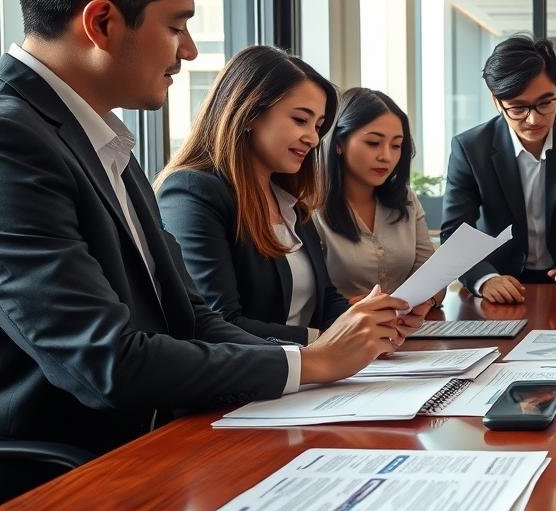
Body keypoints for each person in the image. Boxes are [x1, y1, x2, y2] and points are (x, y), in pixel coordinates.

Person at [0, 0, 405, 467]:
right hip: (72, 475)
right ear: (102, 23)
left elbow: (192, 317)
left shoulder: (102, 137)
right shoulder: (7, 141)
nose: (187, 51)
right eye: (176, 26)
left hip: (168, 443)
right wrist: (311, 362)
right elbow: (107, 361)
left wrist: (325, 357)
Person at [157, 46, 428, 345]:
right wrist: (328, 341)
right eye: (301, 120)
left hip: (310, 377)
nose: (313, 138)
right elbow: (218, 323)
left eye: (318, 126)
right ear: (249, 113)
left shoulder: (288, 200)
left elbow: (326, 301)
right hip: (255, 382)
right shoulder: (192, 192)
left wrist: (381, 320)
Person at [439, 35, 556, 304]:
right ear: (497, 102)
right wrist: (483, 279)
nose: (534, 119)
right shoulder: (471, 147)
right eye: (518, 107)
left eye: (545, 103)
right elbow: (456, 231)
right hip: (500, 281)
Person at [315, 87, 439, 306]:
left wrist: (426, 301)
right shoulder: (310, 206)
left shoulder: (405, 198)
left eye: (396, 145)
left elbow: (431, 276)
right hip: (339, 331)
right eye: (373, 143)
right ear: (338, 143)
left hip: (405, 329)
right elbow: (307, 295)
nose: (387, 157)